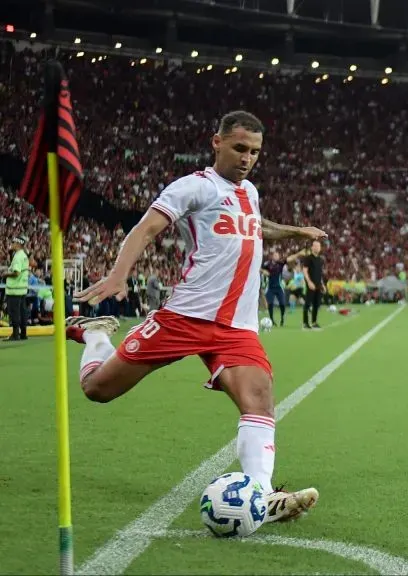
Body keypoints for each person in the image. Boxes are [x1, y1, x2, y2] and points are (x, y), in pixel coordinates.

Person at [68, 110, 327, 524]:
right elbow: (147, 229)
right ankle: (96, 336)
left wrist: (297, 232)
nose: (247, 158)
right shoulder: (194, 187)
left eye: (255, 152)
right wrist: (119, 275)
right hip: (185, 317)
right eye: (240, 148)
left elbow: (257, 226)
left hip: (236, 328)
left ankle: (261, 496)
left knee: (258, 397)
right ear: (217, 142)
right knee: (98, 389)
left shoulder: (250, 193)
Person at [4, 235, 30, 341]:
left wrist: (5, 274)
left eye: (14, 242)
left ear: (18, 244)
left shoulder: (18, 256)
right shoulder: (24, 255)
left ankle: (15, 335)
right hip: (22, 289)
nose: (12, 244)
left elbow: (16, 272)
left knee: (14, 312)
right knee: (22, 312)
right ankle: (23, 334)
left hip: (15, 290)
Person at [297, 242, 325, 330]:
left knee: (316, 304)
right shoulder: (308, 258)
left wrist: (322, 284)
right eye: (315, 246)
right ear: (312, 247)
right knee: (307, 304)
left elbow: (320, 273)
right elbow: (305, 271)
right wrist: (309, 282)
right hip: (310, 285)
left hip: (318, 284)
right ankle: (305, 323)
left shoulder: (320, 259)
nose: (317, 248)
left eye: (318, 246)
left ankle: (314, 322)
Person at [261, 250, 289, 326]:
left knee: (282, 304)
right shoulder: (267, 264)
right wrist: (264, 271)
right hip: (270, 287)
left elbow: (288, 259)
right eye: (275, 255)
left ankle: (282, 318)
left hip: (279, 287)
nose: (276, 256)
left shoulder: (281, 264)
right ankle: (272, 320)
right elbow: (260, 269)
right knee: (270, 304)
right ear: (272, 256)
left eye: (277, 255)